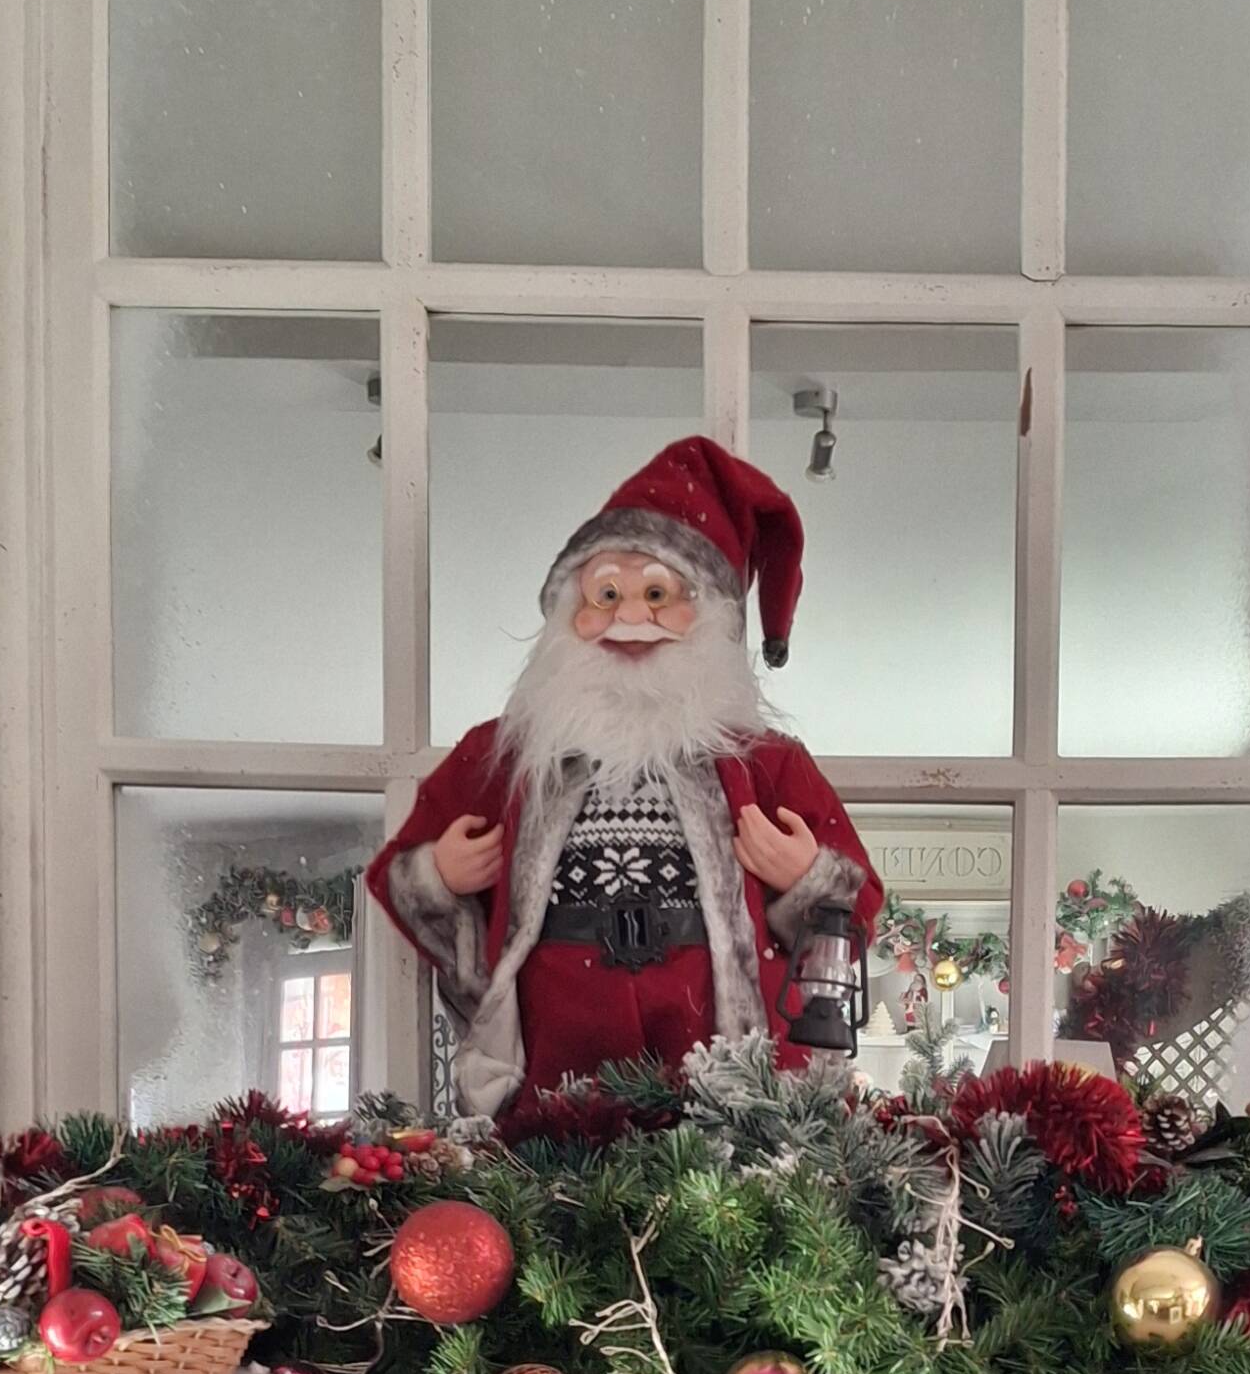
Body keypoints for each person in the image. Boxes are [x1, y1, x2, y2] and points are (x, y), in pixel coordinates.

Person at [366, 437, 882, 1119]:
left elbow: (858, 898)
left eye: (659, 594)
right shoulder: (505, 755)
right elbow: (399, 873)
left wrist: (808, 875)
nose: (630, 616)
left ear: (711, 620)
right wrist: (439, 874)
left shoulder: (766, 762)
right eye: (606, 592)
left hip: (722, 1070)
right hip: (556, 1059)